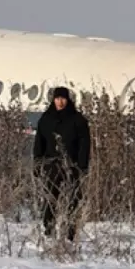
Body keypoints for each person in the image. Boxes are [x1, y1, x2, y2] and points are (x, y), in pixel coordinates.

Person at [32, 87, 91, 242]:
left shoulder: (77, 119)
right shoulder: (46, 118)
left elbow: (84, 144)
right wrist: (37, 163)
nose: (60, 102)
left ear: (68, 100)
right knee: (50, 198)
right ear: (53, 100)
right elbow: (39, 143)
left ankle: (70, 232)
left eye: (63, 98)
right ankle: (48, 229)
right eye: (57, 98)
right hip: (51, 164)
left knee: (74, 198)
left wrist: (82, 166)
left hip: (71, 165)